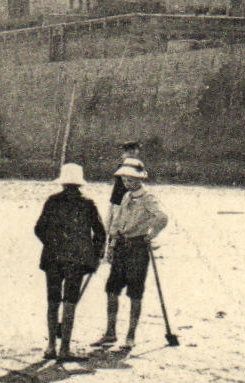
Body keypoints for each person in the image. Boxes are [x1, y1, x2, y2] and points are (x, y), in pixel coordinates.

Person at [33, 163, 106, 361]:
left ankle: (50, 346)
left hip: (53, 259)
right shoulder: (88, 204)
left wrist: (52, 244)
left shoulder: (52, 201)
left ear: (63, 182)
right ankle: (64, 348)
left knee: (53, 301)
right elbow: (100, 233)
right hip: (77, 260)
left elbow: (39, 228)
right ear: (79, 184)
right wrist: (97, 255)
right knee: (70, 302)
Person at [97, 161, 168, 350]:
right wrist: (111, 245)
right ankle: (110, 332)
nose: (127, 182)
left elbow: (162, 217)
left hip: (138, 247)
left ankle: (131, 335)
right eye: (125, 179)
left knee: (135, 292)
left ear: (140, 178)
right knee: (112, 289)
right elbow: (118, 221)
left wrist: (151, 234)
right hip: (121, 246)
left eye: (131, 179)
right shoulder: (126, 196)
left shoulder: (148, 198)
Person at [110, 141, 143, 210]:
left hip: (134, 195)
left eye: (133, 151)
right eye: (128, 151)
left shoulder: (138, 165)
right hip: (120, 194)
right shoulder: (121, 166)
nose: (131, 153)